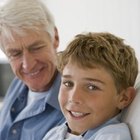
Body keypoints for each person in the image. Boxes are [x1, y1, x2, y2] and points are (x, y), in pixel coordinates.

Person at [43, 32, 138, 140]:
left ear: (124, 97)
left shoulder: (113, 136)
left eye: (91, 87)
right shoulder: (54, 134)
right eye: (68, 83)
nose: (74, 98)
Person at [0, 0, 65, 139]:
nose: (27, 65)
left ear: (55, 38)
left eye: (36, 48)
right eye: (15, 54)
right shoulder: (19, 82)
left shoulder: (74, 104)